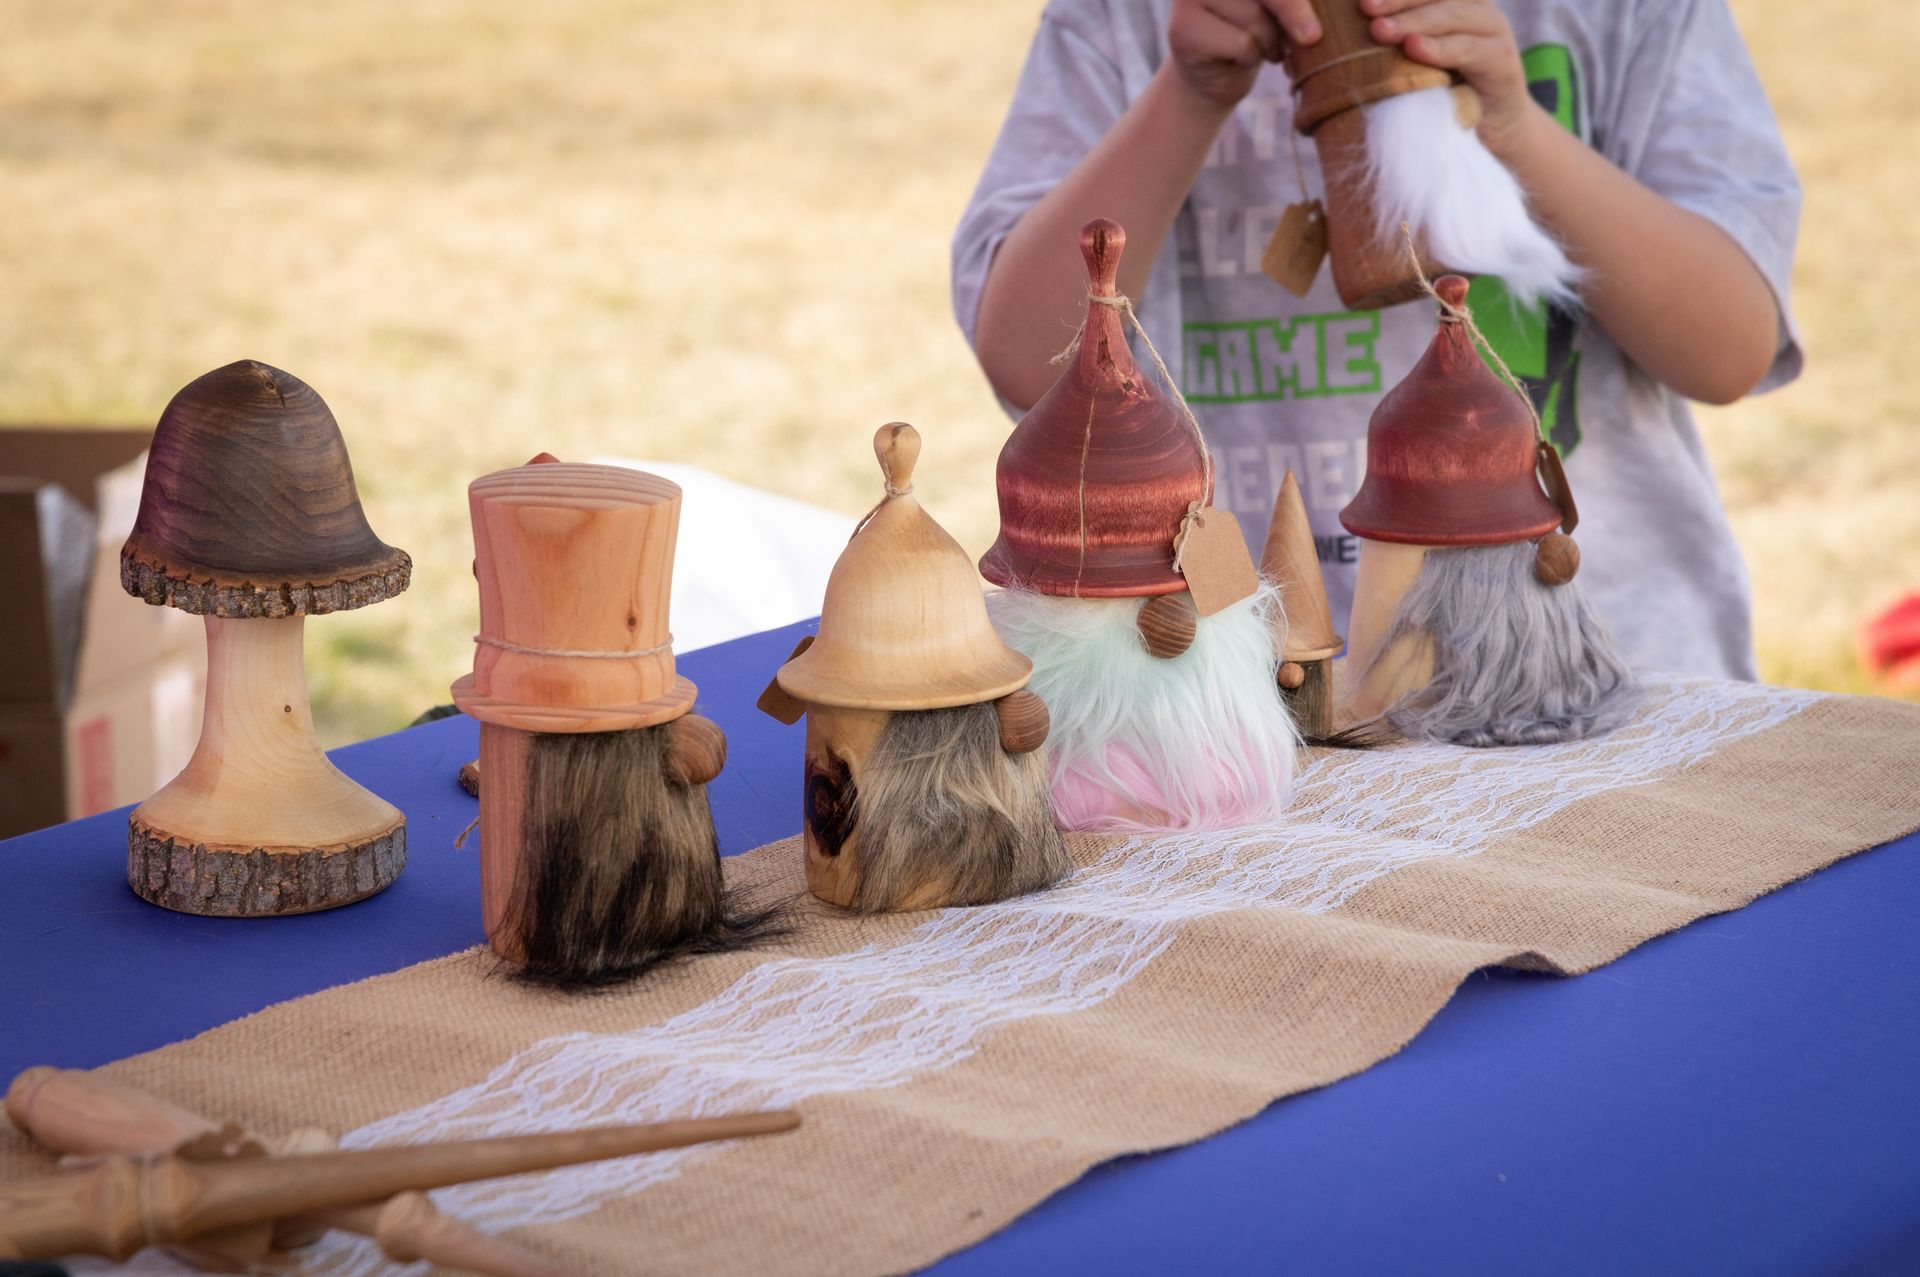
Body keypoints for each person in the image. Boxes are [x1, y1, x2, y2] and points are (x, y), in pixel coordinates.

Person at [952, 0, 1802, 680]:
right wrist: (1189, 94)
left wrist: (1510, 123)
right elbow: (1032, 362)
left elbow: (1729, 347)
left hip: (1594, 663)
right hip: (1239, 680)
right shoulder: (1125, 22)